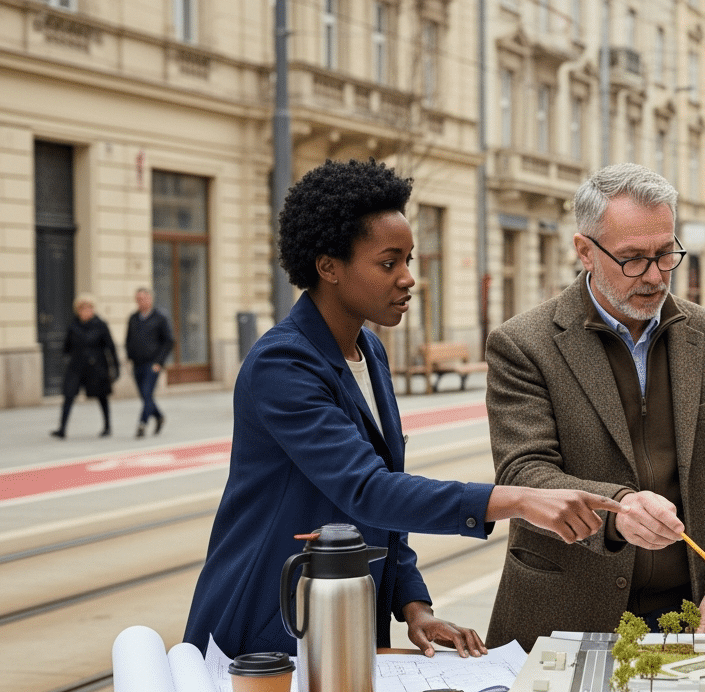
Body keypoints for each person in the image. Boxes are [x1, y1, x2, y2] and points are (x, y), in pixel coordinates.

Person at [184, 159, 622, 659]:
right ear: (328, 266)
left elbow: (382, 507)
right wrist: (517, 500)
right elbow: (367, 491)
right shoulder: (283, 364)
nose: (409, 278)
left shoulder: (369, 351)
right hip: (269, 622)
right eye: (389, 262)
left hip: (345, 622)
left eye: (409, 260)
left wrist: (415, 605)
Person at [482, 163, 705, 651]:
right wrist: (618, 510)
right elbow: (524, 472)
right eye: (633, 259)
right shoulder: (523, 343)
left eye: (665, 254)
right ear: (585, 251)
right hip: (561, 617)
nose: (656, 276)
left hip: (685, 616)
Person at [51, 294, 119, 439]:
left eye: (89, 307)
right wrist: (65, 359)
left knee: (102, 396)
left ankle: (107, 426)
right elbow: (66, 347)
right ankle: (62, 428)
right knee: (68, 396)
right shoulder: (73, 325)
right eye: (82, 308)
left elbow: (111, 347)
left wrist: (115, 367)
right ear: (78, 310)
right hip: (76, 366)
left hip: (96, 366)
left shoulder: (101, 324)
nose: (86, 310)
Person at [125, 287, 174, 437]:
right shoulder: (133, 318)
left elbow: (169, 341)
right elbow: (129, 339)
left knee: (147, 393)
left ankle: (142, 423)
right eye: (138, 299)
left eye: (143, 299)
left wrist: (159, 362)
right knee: (145, 396)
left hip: (152, 364)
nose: (140, 302)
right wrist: (129, 357)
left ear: (150, 299)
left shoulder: (160, 317)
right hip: (137, 363)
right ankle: (159, 416)